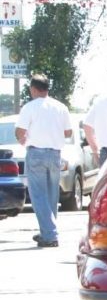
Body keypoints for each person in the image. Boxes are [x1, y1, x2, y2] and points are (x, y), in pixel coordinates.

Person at [14, 74, 72, 248]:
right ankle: (46, 231)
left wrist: (22, 139)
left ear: (33, 89)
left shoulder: (29, 107)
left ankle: (50, 234)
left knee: (38, 195)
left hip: (36, 153)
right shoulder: (61, 107)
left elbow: (20, 130)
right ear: (47, 88)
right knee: (52, 196)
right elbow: (68, 132)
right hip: (55, 154)